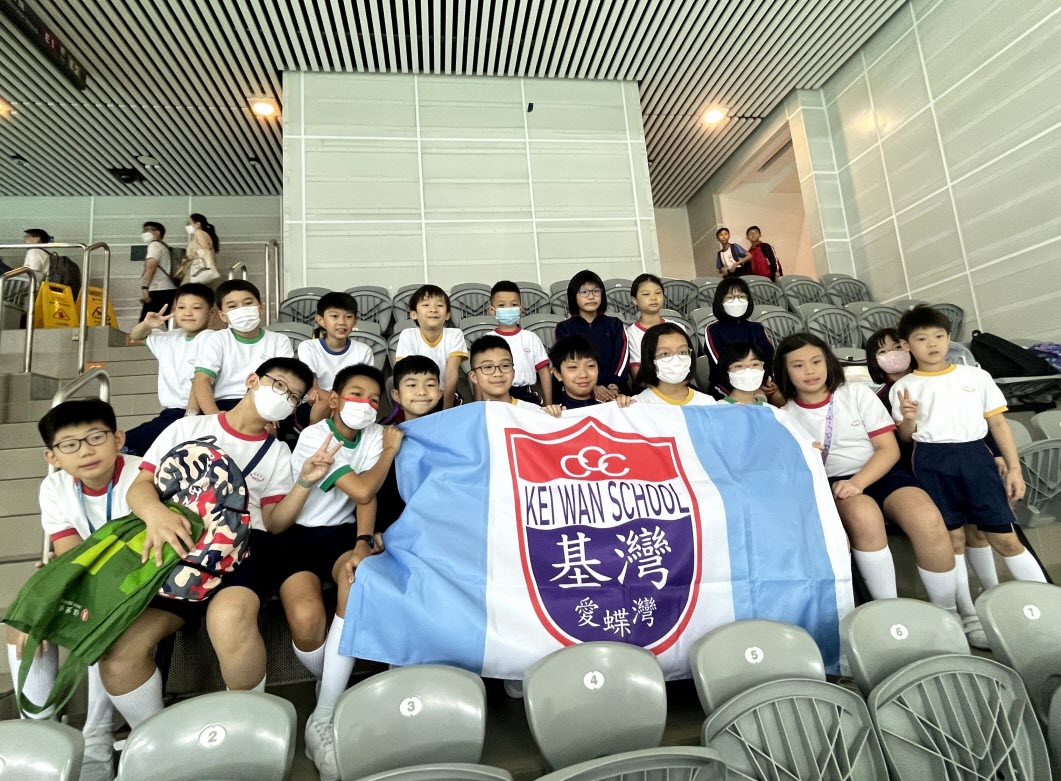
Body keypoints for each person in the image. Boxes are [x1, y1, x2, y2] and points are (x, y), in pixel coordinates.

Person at [98, 357, 337, 731]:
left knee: (228, 618)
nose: (283, 397)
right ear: (252, 380)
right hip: (176, 543)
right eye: (278, 385)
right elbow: (142, 485)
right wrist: (156, 515)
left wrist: (304, 482)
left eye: (293, 397)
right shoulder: (187, 427)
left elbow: (275, 522)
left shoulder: (277, 452)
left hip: (244, 548)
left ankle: (248, 727)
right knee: (119, 652)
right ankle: (154, 738)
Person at [257, 364, 402, 781]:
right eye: (357, 394)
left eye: (374, 399)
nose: (366, 405)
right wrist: (389, 453)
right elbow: (362, 487)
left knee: (355, 580)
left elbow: (365, 501)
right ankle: (333, 681)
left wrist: (361, 543)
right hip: (297, 535)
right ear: (335, 399)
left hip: (341, 535)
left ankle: (322, 717)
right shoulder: (313, 437)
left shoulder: (372, 434)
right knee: (307, 623)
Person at [891, 306, 1046, 647]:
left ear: (949, 338)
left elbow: (998, 424)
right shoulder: (903, 387)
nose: (932, 344)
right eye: (921, 338)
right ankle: (969, 614)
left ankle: (1047, 606)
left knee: (1005, 538)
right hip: (931, 461)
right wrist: (908, 419)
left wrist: (1014, 468)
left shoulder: (976, 377)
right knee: (953, 540)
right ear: (906, 345)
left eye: (939, 336)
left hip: (976, 458)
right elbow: (905, 437)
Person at [774, 333, 958, 616]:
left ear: (828, 362)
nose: (810, 371)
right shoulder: (784, 415)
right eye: (798, 365)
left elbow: (888, 449)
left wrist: (859, 482)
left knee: (926, 517)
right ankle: (889, 613)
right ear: (785, 372)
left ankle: (949, 612)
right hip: (835, 482)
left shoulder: (856, 393)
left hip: (881, 471)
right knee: (864, 516)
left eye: (816, 361)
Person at [5, 400, 134, 781]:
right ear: (53, 456)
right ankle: (42, 735)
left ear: (118, 439)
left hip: (138, 580)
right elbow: (70, 554)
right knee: (24, 622)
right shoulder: (54, 486)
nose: (86, 451)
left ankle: (97, 737)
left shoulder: (143, 475)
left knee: (96, 623)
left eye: (96, 437)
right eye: (70, 444)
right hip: (89, 574)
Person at [867, 327, 1003, 600]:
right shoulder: (879, 399)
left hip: (967, 463)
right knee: (953, 537)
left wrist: (996, 453)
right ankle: (964, 604)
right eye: (882, 351)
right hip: (924, 472)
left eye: (897, 347)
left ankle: (992, 594)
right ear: (874, 361)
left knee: (977, 531)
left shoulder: (943, 380)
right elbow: (896, 444)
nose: (892, 355)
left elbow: (973, 421)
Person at [123, 284, 214, 456]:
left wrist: (189, 418)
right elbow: (135, 336)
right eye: (181, 307)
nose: (188, 313)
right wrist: (147, 324)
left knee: (127, 446)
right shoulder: (169, 338)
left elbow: (200, 381)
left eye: (196, 308)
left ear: (211, 312)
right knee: (126, 446)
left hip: (197, 413)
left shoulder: (214, 339)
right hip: (170, 414)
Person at [192, 280, 293, 414]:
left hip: (265, 402)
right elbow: (202, 380)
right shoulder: (217, 339)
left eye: (248, 303)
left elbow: (284, 381)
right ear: (223, 316)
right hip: (226, 404)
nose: (242, 309)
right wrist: (214, 416)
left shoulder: (279, 340)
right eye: (232, 306)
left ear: (261, 308)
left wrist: (273, 411)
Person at [297, 292, 373, 425]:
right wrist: (337, 403)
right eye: (334, 316)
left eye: (348, 317)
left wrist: (340, 404)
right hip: (315, 404)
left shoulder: (364, 351)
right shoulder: (308, 347)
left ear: (355, 321)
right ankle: (315, 436)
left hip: (351, 405)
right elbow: (313, 389)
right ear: (320, 320)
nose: (342, 322)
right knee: (323, 405)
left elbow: (365, 389)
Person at [555, 270, 629, 399]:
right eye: (584, 292)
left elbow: (621, 358)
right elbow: (567, 364)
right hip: (580, 391)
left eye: (596, 291)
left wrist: (613, 386)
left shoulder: (615, 324)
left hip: (614, 391)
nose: (591, 297)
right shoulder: (564, 328)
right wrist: (592, 388)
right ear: (573, 296)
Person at [704, 277, 778, 401]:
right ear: (720, 301)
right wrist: (752, 388)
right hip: (727, 386)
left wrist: (765, 381)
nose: (736, 301)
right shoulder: (713, 330)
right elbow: (720, 365)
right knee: (757, 399)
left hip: (759, 381)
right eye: (730, 297)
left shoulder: (757, 328)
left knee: (781, 398)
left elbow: (768, 357)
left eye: (742, 297)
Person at [395, 285, 468, 410]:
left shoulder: (455, 335)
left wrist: (446, 410)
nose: (433, 309)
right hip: (417, 396)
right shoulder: (408, 335)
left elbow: (451, 374)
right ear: (414, 314)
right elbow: (408, 374)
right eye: (426, 305)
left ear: (447, 314)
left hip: (444, 395)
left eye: (439, 305)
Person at [486, 281, 551, 405]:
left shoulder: (531, 338)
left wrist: (549, 402)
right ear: (492, 310)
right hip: (496, 395)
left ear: (521, 309)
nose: (508, 309)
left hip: (527, 394)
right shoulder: (488, 339)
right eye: (502, 305)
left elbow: (544, 372)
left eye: (514, 304)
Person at [634, 323, 716, 406]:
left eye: (682, 352)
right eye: (665, 354)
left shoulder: (707, 403)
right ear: (649, 359)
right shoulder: (638, 405)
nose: (676, 360)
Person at [626, 273, 687, 378]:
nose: (653, 298)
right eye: (646, 294)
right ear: (634, 300)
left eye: (658, 293)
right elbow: (638, 375)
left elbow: (687, 364)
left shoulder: (677, 327)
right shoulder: (630, 334)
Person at [468, 335, 545, 410]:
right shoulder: (469, 415)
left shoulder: (532, 412)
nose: (498, 374)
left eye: (505, 366)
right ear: (474, 377)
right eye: (488, 367)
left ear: (513, 373)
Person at [137, 222, 177, 319]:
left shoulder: (154, 245)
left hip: (158, 289)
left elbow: (151, 266)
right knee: (167, 319)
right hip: (168, 288)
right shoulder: (164, 246)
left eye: (147, 230)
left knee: (146, 322)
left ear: (157, 232)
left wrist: (144, 287)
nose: (144, 233)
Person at [176, 213, 220, 287]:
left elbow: (204, 251)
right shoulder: (203, 234)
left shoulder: (199, 233)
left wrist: (188, 257)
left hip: (198, 270)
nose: (187, 226)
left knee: (187, 290)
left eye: (189, 223)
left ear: (198, 224)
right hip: (201, 271)